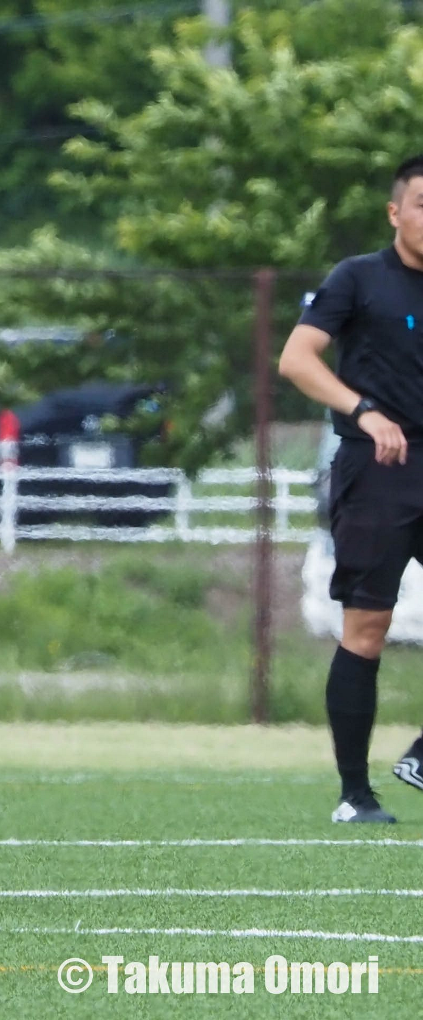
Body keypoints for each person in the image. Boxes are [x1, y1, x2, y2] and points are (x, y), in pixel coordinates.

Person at [279, 154, 423, 824]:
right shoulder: (359, 279)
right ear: (396, 212)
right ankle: (355, 795)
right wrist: (363, 409)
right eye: (420, 203)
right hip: (377, 469)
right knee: (367, 626)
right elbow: (297, 359)